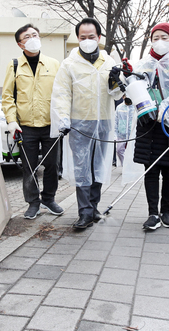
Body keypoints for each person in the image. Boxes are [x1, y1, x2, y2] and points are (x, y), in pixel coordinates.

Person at [50, 18, 124, 229]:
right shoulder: (69, 64)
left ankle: (93, 207)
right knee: (82, 167)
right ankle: (84, 212)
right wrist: (63, 118)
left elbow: (116, 93)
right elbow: (61, 94)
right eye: (83, 37)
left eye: (91, 37)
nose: (87, 40)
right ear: (78, 39)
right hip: (79, 124)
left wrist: (119, 81)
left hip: (103, 122)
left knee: (98, 166)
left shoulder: (109, 63)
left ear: (99, 38)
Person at [122, 23, 169, 231]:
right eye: (155, 37)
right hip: (148, 123)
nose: (159, 42)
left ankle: (166, 212)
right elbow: (132, 92)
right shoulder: (143, 65)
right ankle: (152, 214)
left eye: (164, 37)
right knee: (150, 169)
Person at [2, 24, 64, 220]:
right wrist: (11, 121)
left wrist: (63, 117)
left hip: (50, 125)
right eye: (27, 37)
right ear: (20, 44)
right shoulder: (14, 66)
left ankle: (49, 198)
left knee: (52, 164)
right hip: (25, 126)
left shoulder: (54, 64)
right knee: (29, 167)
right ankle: (33, 202)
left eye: (34, 35)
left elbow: (63, 94)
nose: (32, 38)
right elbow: (7, 97)